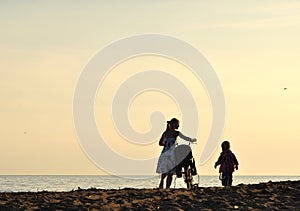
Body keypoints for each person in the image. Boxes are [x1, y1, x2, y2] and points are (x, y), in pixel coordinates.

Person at [156, 118, 197, 189]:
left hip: (164, 153)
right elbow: (185, 138)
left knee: (165, 171)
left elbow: (160, 143)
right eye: (177, 124)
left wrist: (167, 144)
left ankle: (161, 183)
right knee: (170, 173)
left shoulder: (165, 133)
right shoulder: (176, 133)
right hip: (171, 154)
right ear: (173, 124)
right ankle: (167, 188)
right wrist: (192, 140)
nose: (178, 125)